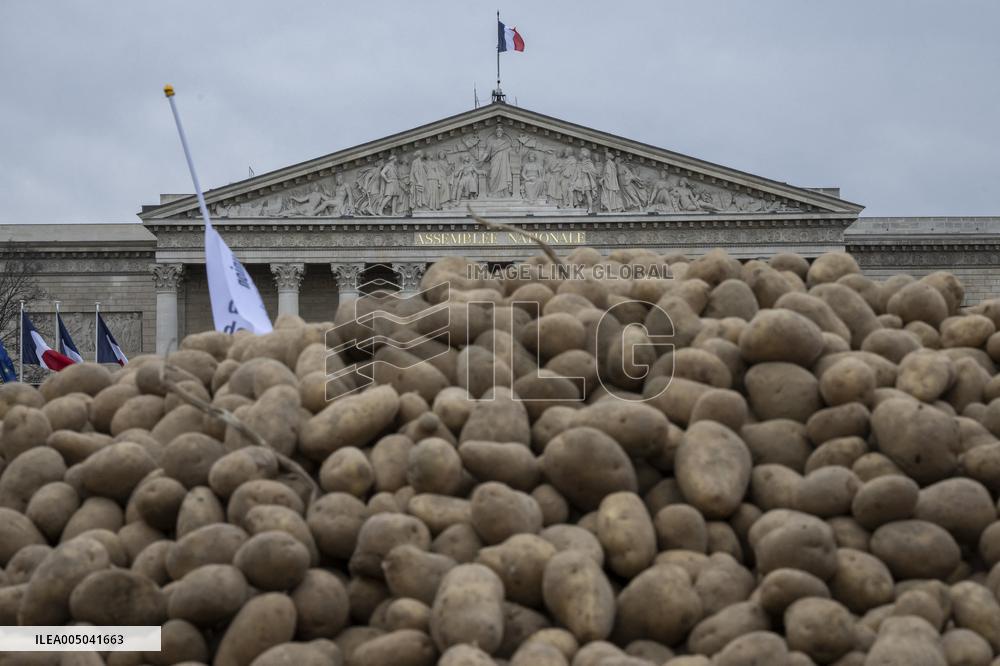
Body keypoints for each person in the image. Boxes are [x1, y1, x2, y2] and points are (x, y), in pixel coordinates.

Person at [479, 126, 515, 197]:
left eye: (500, 132)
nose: (499, 133)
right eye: (498, 132)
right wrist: (481, 159)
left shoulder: (506, 143)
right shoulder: (492, 143)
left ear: (502, 133)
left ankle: (504, 193)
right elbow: (487, 152)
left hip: (504, 163)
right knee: (493, 175)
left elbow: (512, 153)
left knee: (504, 176)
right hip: (495, 161)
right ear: (496, 133)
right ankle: (493, 192)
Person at [571, 148, 599, 212]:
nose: (579, 155)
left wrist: (587, 171)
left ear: (584, 155)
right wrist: (572, 182)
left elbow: (595, 172)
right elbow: (575, 173)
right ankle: (577, 205)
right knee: (573, 190)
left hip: (586, 181)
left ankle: (590, 208)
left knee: (588, 194)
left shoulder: (589, 163)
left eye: (580, 154)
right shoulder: (579, 163)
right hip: (579, 180)